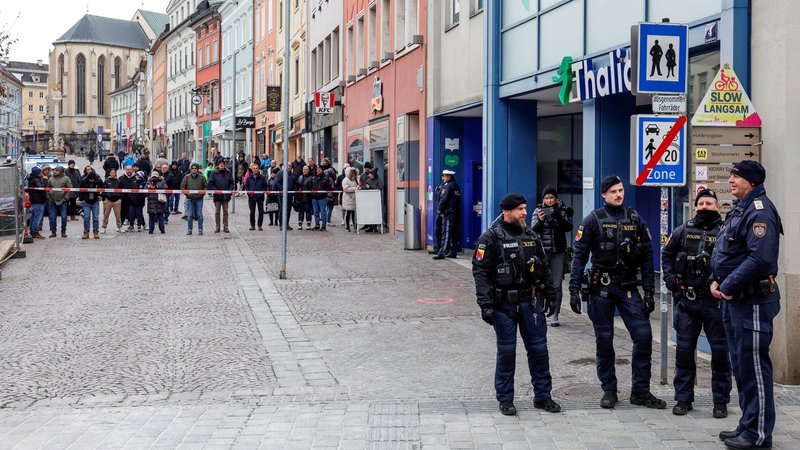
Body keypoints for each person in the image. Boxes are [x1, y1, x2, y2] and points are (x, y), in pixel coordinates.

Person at [568, 175, 666, 410]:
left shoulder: (634, 218)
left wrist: (650, 293)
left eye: (620, 190)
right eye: (613, 191)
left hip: (628, 288)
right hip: (601, 287)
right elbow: (580, 255)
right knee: (605, 340)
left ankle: (640, 391)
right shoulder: (593, 220)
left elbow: (647, 256)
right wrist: (573, 288)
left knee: (643, 336)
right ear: (604, 194)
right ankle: (609, 390)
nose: (618, 194)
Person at [710, 161, 783, 450]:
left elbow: (759, 259)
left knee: (753, 368)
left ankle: (759, 435)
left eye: (735, 177)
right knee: (741, 367)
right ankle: (748, 424)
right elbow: (728, 251)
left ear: (750, 181)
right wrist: (716, 280)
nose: (730, 180)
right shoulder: (741, 208)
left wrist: (726, 286)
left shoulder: (760, 211)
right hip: (735, 302)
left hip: (752, 301)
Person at [472, 193, 561, 416]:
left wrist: (550, 296)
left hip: (531, 303)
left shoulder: (531, 235)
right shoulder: (490, 238)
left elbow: (545, 268)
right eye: (520, 209)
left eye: (524, 208)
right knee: (507, 353)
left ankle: (543, 396)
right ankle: (505, 399)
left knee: (539, 351)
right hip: (504, 306)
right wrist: (485, 304)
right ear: (507, 212)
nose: (524, 213)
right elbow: (480, 272)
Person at [662, 189, 731, 418]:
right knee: (683, 353)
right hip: (688, 303)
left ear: (718, 206)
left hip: (715, 304)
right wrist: (670, 279)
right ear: (695, 206)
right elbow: (667, 255)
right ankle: (683, 399)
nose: (704, 207)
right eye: (701, 203)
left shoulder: (726, 232)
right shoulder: (682, 231)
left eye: (709, 203)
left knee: (720, 355)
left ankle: (720, 401)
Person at [531, 185, 574, 327]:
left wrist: (556, 217)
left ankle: (555, 313)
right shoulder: (537, 211)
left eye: (551, 198)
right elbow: (533, 232)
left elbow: (568, 227)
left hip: (558, 252)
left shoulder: (562, 210)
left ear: (556, 199)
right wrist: (541, 220)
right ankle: (541, 310)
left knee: (556, 284)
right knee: (541, 283)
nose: (549, 200)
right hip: (542, 252)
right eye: (546, 198)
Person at [432, 169, 461, 259]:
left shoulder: (448, 186)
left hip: (448, 212)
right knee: (453, 232)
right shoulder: (455, 185)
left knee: (446, 232)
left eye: (444, 176)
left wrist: (440, 210)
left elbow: (443, 200)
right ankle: (452, 251)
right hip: (454, 211)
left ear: (449, 176)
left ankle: (442, 252)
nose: (443, 178)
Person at [207, 159, 234, 233]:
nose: (221, 165)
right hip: (217, 196)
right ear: (218, 165)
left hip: (226, 196)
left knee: (225, 212)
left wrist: (229, 191)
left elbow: (232, 182)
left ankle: (226, 227)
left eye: (223, 163)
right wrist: (216, 190)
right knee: (217, 212)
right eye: (220, 163)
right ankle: (217, 227)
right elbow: (210, 184)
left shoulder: (228, 172)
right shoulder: (214, 173)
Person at [181, 162, 207, 235]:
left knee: (199, 214)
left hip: (199, 198)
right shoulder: (187, 177)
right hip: (189, 199)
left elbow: (205, 186)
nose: (194, 169)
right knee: (190, 215)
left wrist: (203, 192)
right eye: (193, 168)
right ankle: (189, 230)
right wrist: (187, 194)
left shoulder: (202, 177)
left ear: (198, 169)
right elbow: (182, 186)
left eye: (195, 168)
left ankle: (200, 229)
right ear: (191, 169)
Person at [46, 166, 72, 238]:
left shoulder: (66, 179)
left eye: (56, 170)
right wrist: (49, 198)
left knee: (64, 217)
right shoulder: (50, 179)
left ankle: (63, 232)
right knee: (52, 217)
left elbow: (70, 189)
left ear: (60, 171)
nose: (54, 171)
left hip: (63, 201)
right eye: (54, 170)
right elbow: (47, 189)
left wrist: (66, 198)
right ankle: (53, 232)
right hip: (52, 201)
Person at [79, 170, 103, 239]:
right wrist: (81, 199)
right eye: (91, 179)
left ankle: (95, 232)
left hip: (95, 201)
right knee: (86, 218)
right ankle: (86, 232)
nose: (92, 181)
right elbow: (80, 190)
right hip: (86, 202)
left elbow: (104, 188)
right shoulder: (83, 181)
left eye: (93, 180)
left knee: (95, 218)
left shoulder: (97, 180)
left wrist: (101, 196)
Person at [27, 167, 48, 239]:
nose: (41, 174)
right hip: (38, 201)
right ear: (37, 173)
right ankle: (35, 232)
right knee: (37, 218)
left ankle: (32, 231)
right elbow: (41, 188)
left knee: (33, 217)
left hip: (35, 200)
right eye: (40, 172)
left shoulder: (32, 178)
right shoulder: (36, 180)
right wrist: (45, 180)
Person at [101, 169, 124, 234]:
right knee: (106, 215)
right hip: (108, 200)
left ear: (115, 173)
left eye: (114, 172)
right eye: (112, 172)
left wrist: (120, 198)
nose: (113, 174)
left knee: (118, 215)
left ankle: (119, 227)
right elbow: (103, 190)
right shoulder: (106, 181)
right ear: (110, 173)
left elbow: (121, 190)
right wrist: (104, 198)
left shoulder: (119, 181)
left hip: (117, 200)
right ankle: (104, 227)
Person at [244, 163, 267, 230]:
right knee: (252, 212)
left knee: (261, 212)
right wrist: (250, 194)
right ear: (252, 169)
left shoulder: (262, 177)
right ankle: (252, 225)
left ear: (258, 169)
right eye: (254, 168)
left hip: (260, 197)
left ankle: (259, 225)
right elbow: (247, 187)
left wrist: (261, 194)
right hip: (251, 198)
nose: (255, 170)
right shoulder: (249, 178)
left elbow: (264, 186)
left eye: (256, 168)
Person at [311, 166, 333, 230]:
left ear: (322, 170)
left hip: (322, 198)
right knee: (315, 212)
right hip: (314, 198)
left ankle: (324, 225)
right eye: (317, 169)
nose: (318, 170)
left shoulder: (326, 178)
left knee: (323, 212)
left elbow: (329, 188)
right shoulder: (313, 178)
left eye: (320, 169)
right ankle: (317, 225)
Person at [296, 166, 313, 230]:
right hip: (300, 198)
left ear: (308, 170)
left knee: (308, 211)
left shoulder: (311, 178)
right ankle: (300, 224)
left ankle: (308, 224)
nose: (305, 171)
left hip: (307, 198)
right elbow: (297, 187)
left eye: (306, 169)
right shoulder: (300, 177)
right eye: (304, 169)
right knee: (300, 211)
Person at [341, 167, 358, 232]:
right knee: (348, 213)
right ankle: (347, 227)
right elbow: (346, 189)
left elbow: (356, 186)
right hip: (348, 198)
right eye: (352, 173)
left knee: (354, 214)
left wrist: (357, 188)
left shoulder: (354, 179)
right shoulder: (345, 180)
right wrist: (355, 189)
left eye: (354, 173)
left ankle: (355, 226)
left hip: (354, 198)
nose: (353, 174)